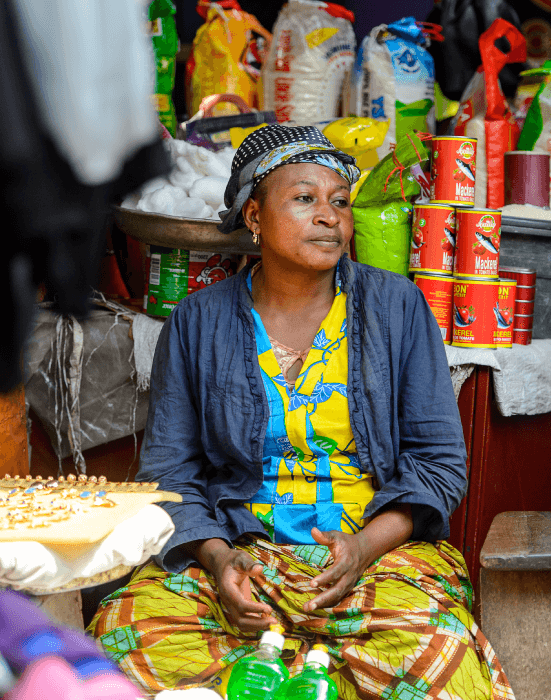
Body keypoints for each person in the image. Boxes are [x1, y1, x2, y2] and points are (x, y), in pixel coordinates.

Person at [88, 125, 514, 700]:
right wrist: (220, 563)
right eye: (305, 198)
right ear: (254, 216)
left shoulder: (398, 309)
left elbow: (438, 465)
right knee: (122, 637)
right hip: (246, 554)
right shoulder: (198, 322)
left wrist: (361, 549)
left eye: (340, 201)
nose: (329, 215)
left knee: (437, 655)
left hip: (370, 557)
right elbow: (168, 476)